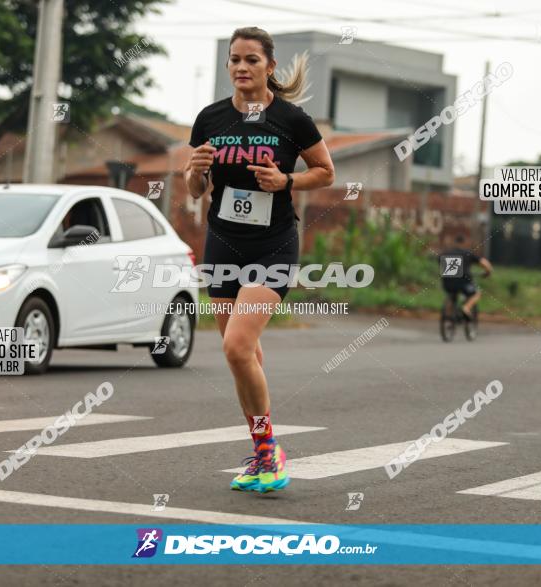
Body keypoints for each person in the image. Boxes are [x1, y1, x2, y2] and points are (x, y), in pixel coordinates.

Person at [184, 27, 335, 493]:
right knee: (241, 353)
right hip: (223, 244)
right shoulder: (209, 119)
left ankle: (269, 453)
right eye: (234, 59)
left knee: (235, 348)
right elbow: (196, 191)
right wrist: (194, 171)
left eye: (251, 59)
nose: (241, 67)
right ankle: (262, 449)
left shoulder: (291, 119)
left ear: (270, 66)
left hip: (273, 245)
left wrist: (285, 182)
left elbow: (326, 173)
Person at [440, 234, 493, 318]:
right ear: (464, 243)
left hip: (447, 284)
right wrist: (488, 272)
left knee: (452, 293)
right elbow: (486, 264)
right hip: (463, 283)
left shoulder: (446, 253)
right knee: (476, 293)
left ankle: (448, 315)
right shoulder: (467, 253)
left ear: (454, 243)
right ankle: (466, 308)